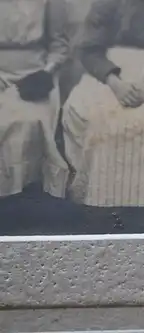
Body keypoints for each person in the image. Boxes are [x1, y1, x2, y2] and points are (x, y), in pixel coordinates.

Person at [62, 0, 144, 231]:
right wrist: (114, 82)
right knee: (100, 119)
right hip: (111, 70)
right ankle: (99, 209)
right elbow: (89, 49)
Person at [0, 0, 70, 199]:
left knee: (25, 123)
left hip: (34, 77)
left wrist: (44, 74)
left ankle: (20, 195)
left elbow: (59, 47)